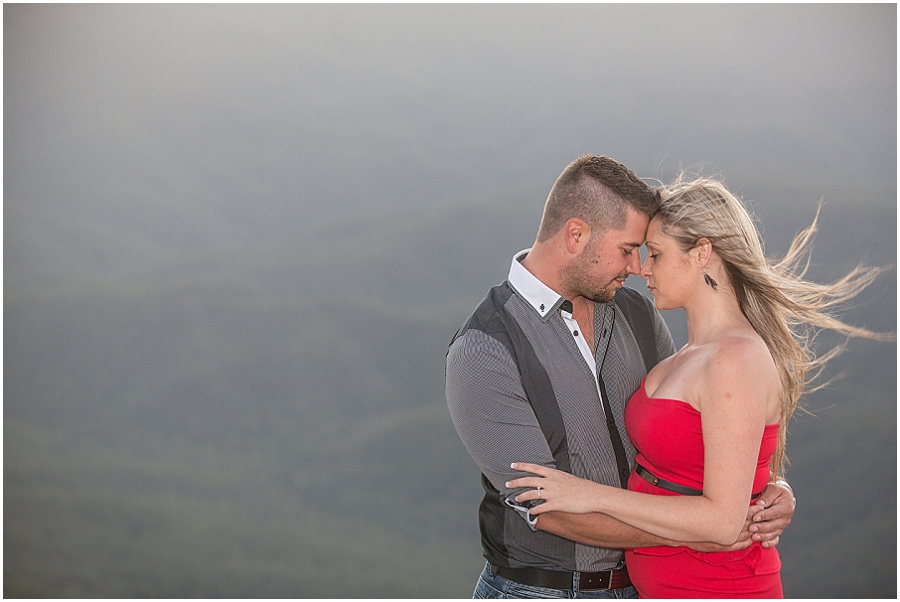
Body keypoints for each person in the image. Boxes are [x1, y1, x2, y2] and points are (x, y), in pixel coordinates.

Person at [508, 173, 891, 597]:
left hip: (717, 586)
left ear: (702, 253)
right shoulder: (686, 355)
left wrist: (590, 495)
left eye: (655, 254)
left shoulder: (735, 359)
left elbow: (724, 524)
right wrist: (773, 488)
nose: (642, 269)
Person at [446, 156, 796, 599]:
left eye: (648, 252)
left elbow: (698, 428)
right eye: (628, 249)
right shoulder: (485, 347)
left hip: (641, 590)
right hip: (542, 592)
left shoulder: (635, 314)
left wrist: (767, 490)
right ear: (576, 235)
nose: (637, 268)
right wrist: (704, 533)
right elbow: (548, 508)